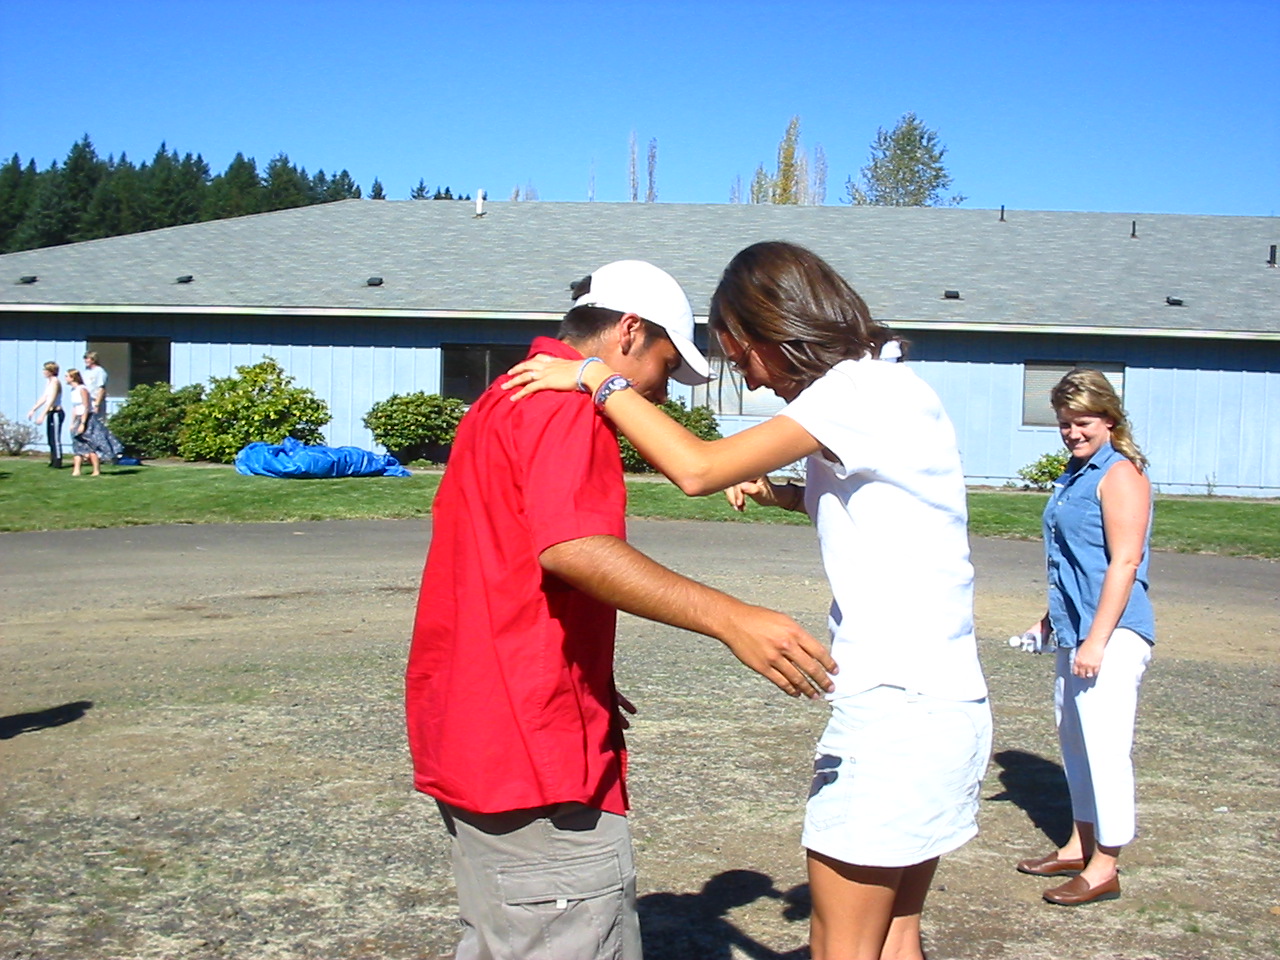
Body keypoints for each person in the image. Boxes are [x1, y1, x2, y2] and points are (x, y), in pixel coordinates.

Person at [504, 241, 991, 960]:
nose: (752, 381)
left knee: (842, 947)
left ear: (775, 328)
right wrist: (784, 494)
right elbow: (888, 504)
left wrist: (595, 379)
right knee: (894, 937)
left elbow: (696, 469)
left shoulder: (854, 391)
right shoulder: (892, 382)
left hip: (896, 710)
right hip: (944, 703)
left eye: (741, 359)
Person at [405, 259, 837, 960]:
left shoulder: (505, 395)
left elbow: (506, 558)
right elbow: (573, 548)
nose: (663, 392)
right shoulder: (566, 407)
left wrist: (577, 674)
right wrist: (730, 618)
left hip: (477, 716)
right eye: (665, 367)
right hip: (529, 747)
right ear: (629, 332)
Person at [1014, 369, 1154, 906]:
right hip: (1076, 630)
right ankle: (1079, 844)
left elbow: (1125, 562)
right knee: (1074, 741)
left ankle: (1105, 867)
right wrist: (1051, 620)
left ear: (1110, 419)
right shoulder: (1076, 474)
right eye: (1065, 423)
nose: (1073, 432)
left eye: (1084, 422)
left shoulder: (1120, 474)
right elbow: (1074, 562)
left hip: (1112, 635)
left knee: (1105, 748)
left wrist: (1097, 640)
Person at [65, 368, 123, 476]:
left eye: (67, 376)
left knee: (90, 444)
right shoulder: (73, 390)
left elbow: (86, 407)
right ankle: (76, 470)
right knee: (77, 444)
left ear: (73, 377)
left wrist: (83, 423)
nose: (65, 378)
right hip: (78, 417)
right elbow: (75, 408)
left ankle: (96, 470)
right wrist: (72, 423)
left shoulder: (82, 389)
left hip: (87, 418)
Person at [26, 361, 64, 468]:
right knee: (50, 438)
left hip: (56, 412)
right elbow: (45, 397)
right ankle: (53, 459)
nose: (43, 372)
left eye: (45, 370)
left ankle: (57, 461)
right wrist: (33, 409)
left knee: (55, 438)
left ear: (51, 371)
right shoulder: (49, 382)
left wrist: (42, 415)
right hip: (51, 412)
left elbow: (51, 400)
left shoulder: (55, 382)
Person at [82, 351, 108, 418]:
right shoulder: (86, 371)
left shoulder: (100, 371)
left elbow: (101, 389)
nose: (85, 360)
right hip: (87, 402)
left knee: (96, 422)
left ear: (93, 359)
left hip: (95, 401)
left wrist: (97, 404)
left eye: (87, 358)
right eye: (85, 358)